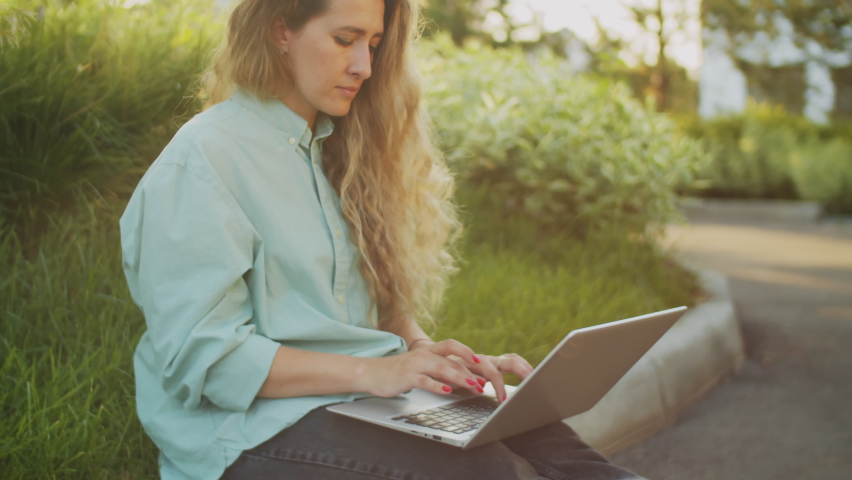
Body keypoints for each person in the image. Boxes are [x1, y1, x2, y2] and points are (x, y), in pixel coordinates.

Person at [119, 0, 647, 478]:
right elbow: (210, 361)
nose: (364, 67)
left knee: (557, 448)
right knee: (490, 470)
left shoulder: (336, 151)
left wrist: (423, 353)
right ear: (281, 30)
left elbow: (363, 308)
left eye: (372, 44)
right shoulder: (205, 158)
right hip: (246, 433)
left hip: (357, 398)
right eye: (344, 40)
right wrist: (379, 372)